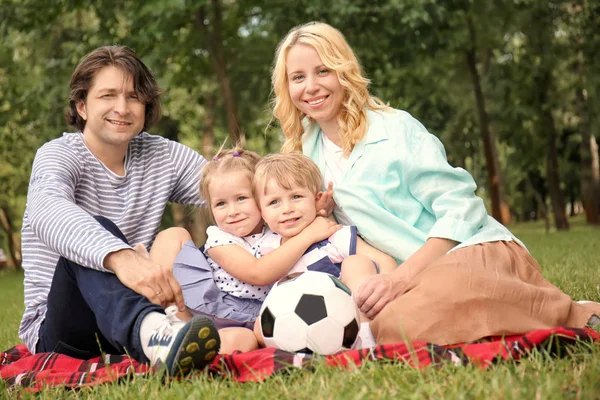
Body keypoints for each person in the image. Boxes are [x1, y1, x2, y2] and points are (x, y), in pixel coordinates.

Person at [270, 22, 600, 345]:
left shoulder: (395, 129)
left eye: (323, 71)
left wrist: (400, 279)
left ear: (344, 72)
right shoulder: (301, 154)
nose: (310, 87)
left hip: (468, 251)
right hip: (406, 280)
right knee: (391, 325)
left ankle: (569, 313)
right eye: (298, 77)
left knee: (419, 314)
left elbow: (463, 208)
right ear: (287, 87)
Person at [19, 45, 220, 376]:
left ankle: (170, 332)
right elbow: (46, 209)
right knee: (92, 234)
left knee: (176, 236)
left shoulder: (160, 155)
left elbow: (227, 184)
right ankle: (157, 334)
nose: (122, 108)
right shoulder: (57, 155)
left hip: (129, 322)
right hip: (63, 334)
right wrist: (121, 257)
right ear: (82, 106)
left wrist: (293, 193)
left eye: (133, 96)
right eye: (108, 95)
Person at [142, 146, 342, 352]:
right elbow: (257, 273)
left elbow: (306, 225)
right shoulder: (220, 239)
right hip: (210, 308)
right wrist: (310, 233)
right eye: (220, 204)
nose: (233, 211)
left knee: (243, 341)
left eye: (241, 198)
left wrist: (318, 212)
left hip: (260, 319)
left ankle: (194, 353)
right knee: (172, 235)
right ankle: (170, 326)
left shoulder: (277, 228)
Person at [252, 152, 398, 347]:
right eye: (274, 202)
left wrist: (386, 284)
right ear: (262, 213)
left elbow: (384, 261)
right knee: (258, 327)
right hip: (297, 322)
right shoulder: (267, 248)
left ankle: (364, 336)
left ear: (316, 199)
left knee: (357, 262)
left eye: (296, 197)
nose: (287, 208)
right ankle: (300, 348)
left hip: (346, 312)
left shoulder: (332, 235)